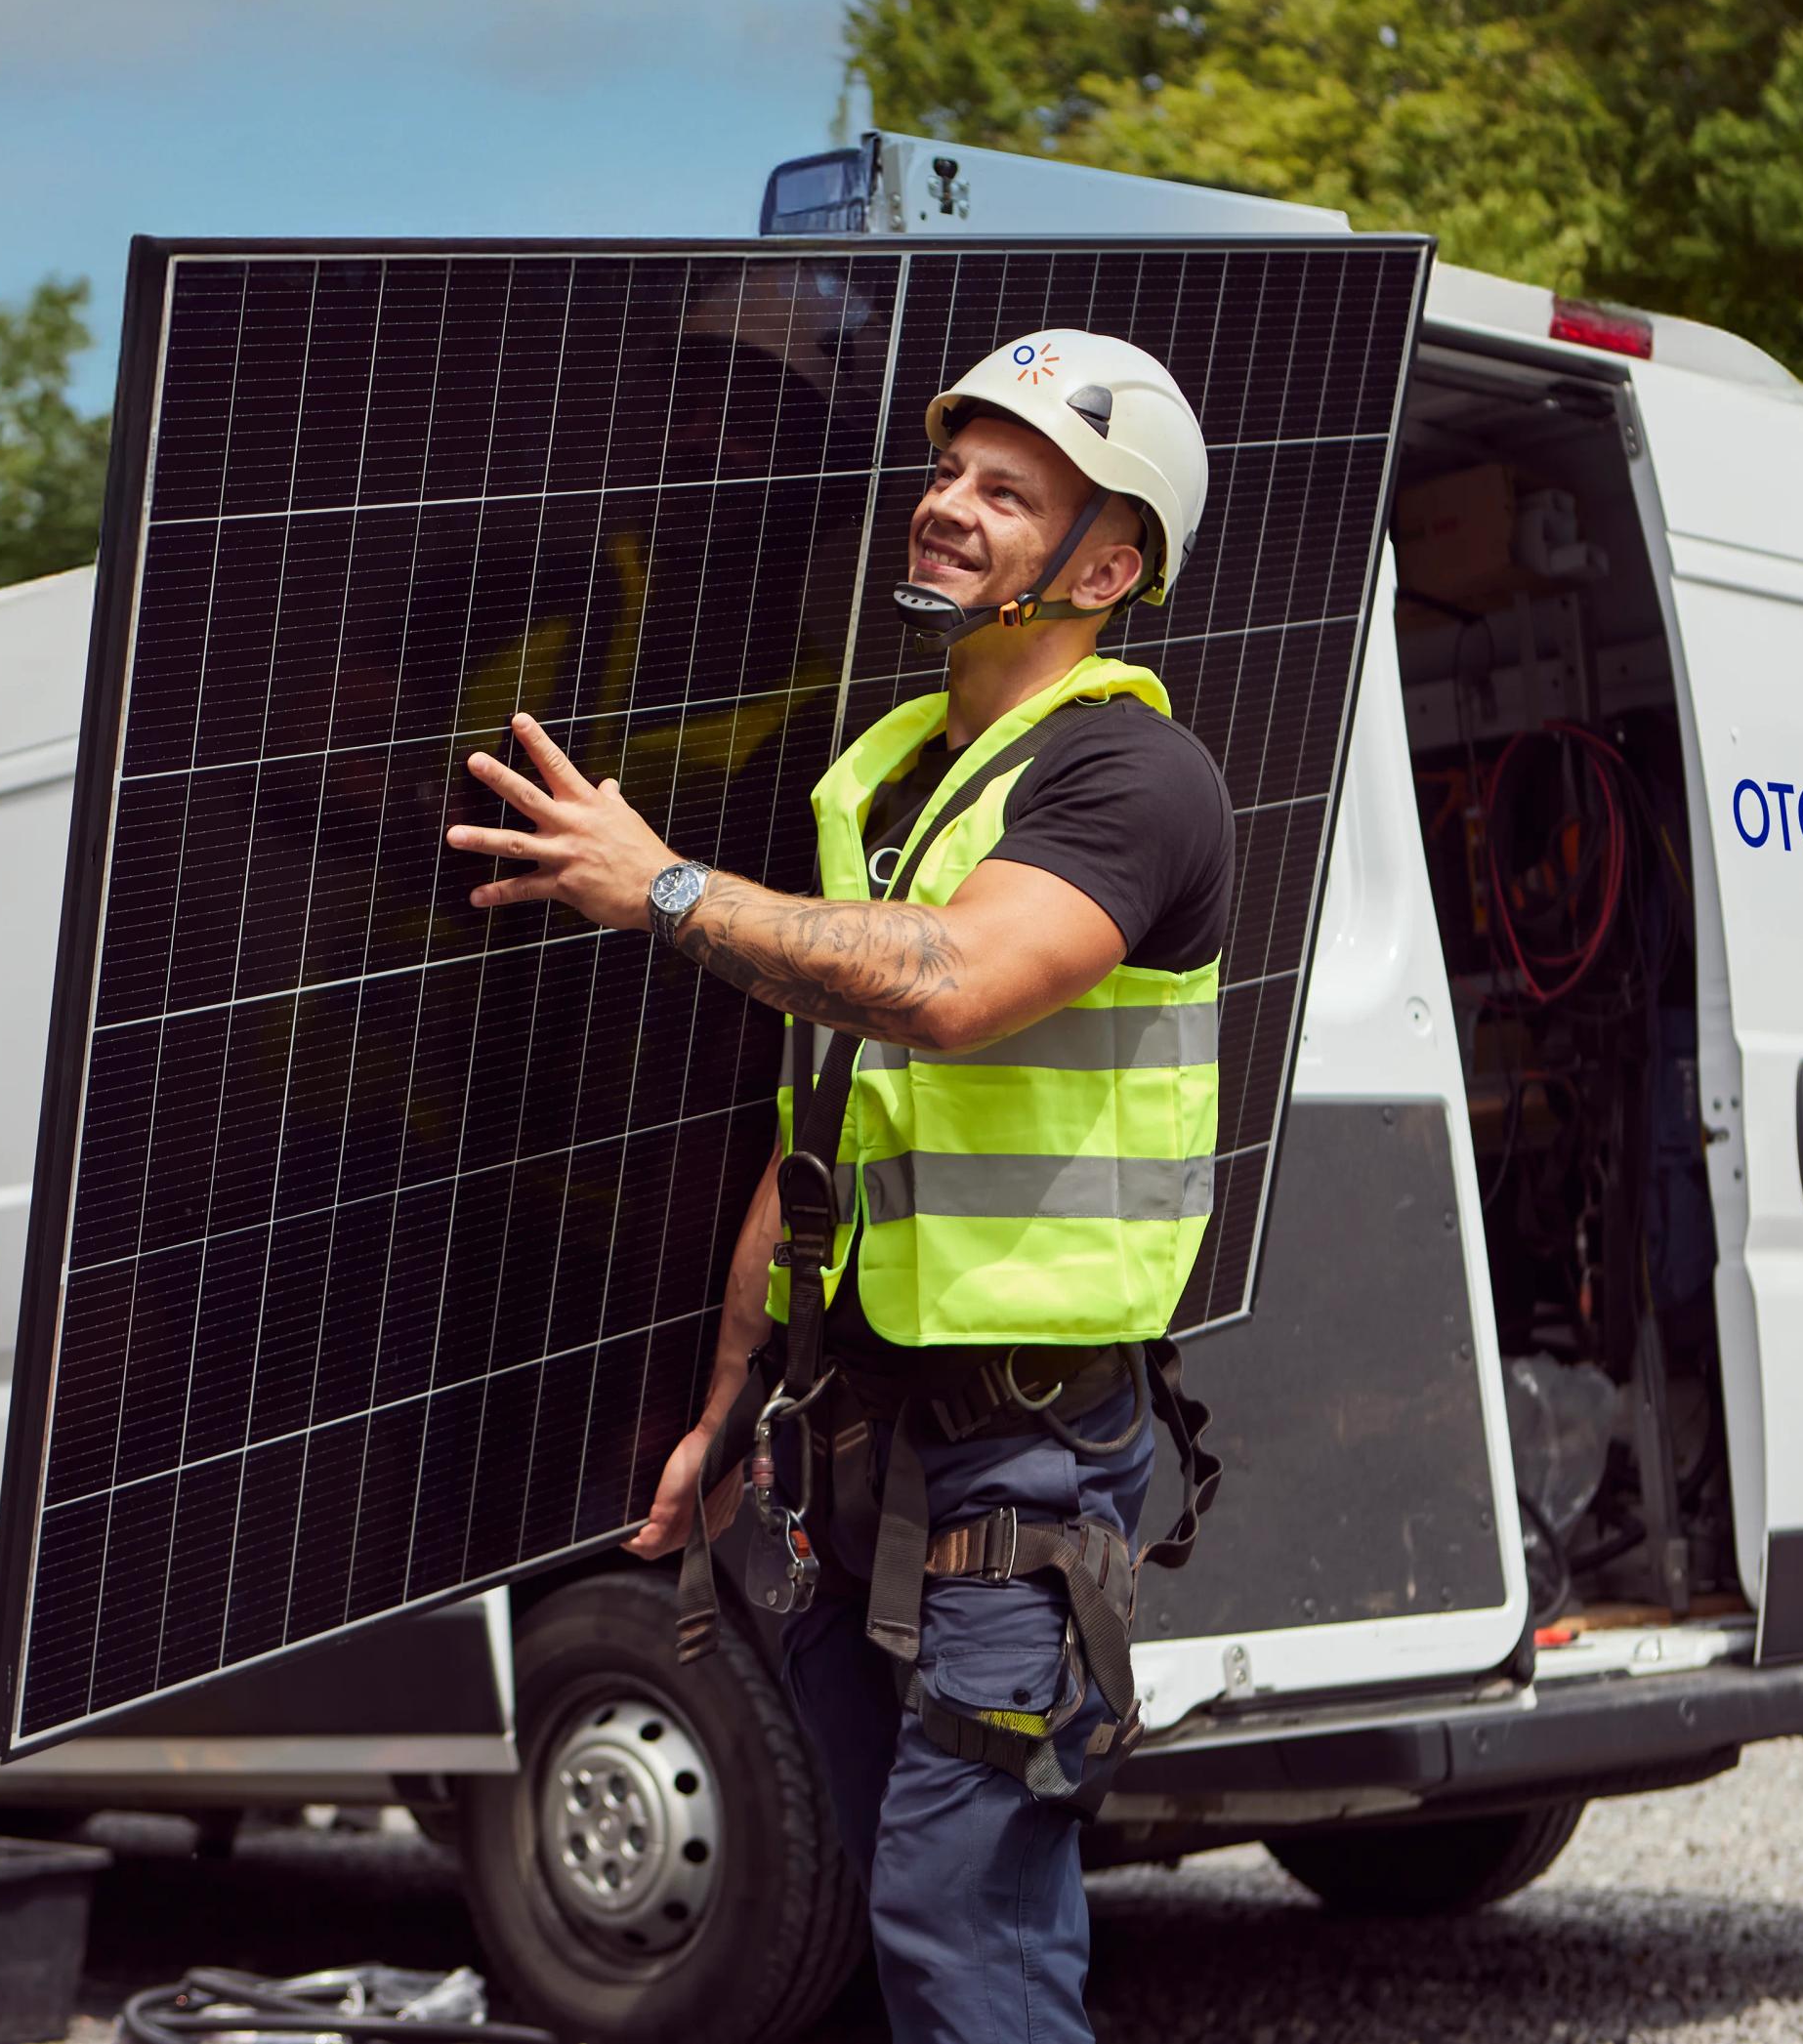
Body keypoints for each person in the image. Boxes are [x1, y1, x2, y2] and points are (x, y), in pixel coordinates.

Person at [446, 327, 1232, 2044]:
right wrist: (727, 1405)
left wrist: (658, 888)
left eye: (1005, 492)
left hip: (1030, 1445)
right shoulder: (884, 778)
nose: (947, 506)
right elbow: (829, 1123)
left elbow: (945, 983)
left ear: (1109, 566)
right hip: (856, 1430)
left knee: (964, 1918)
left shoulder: (1132, 779)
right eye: (949, 472)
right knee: (898, 1898)